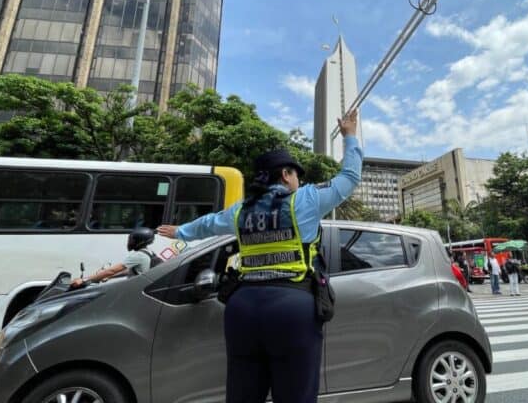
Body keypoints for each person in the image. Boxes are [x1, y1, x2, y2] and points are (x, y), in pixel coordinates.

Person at [157, 110, 362, 403]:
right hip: (293, 308)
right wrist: (350, 136)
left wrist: (180, 232)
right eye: (296, 175)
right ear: (285, 174)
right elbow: (350, 176)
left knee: (243, 395)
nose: (298, 182)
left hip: (243, 310)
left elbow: (209, 224)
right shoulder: (305, 200)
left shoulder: (241, 210)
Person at [71, 227, 159, 288]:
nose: (130, 242)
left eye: (132, 240)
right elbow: (130, 270)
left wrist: (84, 279)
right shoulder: (148, 252)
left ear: (140, 242)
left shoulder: (138, 255)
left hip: (135, 290)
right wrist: (110, 277)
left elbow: (111, 270)